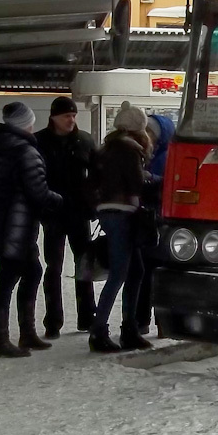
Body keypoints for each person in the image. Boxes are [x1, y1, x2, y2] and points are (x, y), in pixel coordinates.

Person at [0, 102, 63, 358]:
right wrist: (59, 201)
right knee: (9, 278)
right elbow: (36, 191)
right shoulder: (25, 151)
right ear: (26, 123)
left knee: (25, 272)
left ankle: (21, 333)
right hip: (19, 223)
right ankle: (3, 339)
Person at [89, 102, 153, 353]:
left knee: (135, 270)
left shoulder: (106, 148)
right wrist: (155, 179)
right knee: (119, 274)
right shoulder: (129, 149)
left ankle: (130, 328)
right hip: (123, 213)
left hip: (107, 212)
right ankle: (99, 331)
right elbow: (137, 184)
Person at [35, 96, 98, 337]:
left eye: (73, 116)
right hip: (53, 213)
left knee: (84, 265)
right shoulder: (40, 142)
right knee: (54, 267)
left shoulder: (84, 141)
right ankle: (53, 320)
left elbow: (96, 174)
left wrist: (92, 204)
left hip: (79, 212)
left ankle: (86, 316)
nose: (71, 120)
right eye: (66, 116)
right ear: (54, 117)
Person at [135, 113, 175, 335]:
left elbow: (168, 189)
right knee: (145, 272)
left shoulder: (167, 157)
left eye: (150, 132)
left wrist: (149, 180)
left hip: (160, 222)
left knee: (154, 273)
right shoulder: (146, 154)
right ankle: (146, 320)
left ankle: (158, 322)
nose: (146, 136)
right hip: (148, 220)